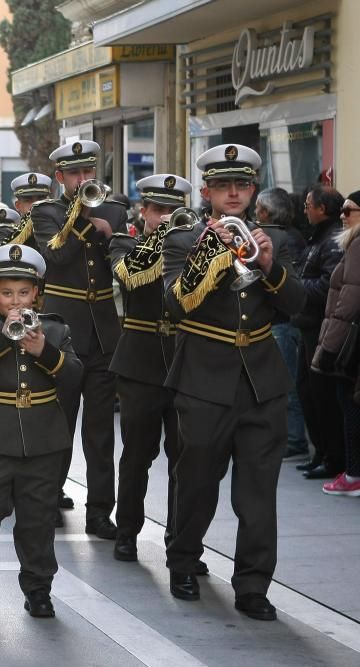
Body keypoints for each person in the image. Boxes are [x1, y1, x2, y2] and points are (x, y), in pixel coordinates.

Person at [162, 144, 304, 621]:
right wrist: (211, 253)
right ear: (207, 191)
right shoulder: (184, 240)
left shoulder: (277, 240)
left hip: (262, 381)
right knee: (197, 483)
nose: (234, 193)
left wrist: (269, 266)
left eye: (242, 185)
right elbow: (175, 305)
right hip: (203, 378)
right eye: (224, 186)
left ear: (252, 189)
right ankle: (183, 561)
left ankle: (253, 586)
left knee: (258, 493)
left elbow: (299, 305)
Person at [0, 243, 81, 618]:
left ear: (37, 293)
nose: (15, 301)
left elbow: (75, 377)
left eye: (23, 292)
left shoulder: (55, 329)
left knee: (38, 517)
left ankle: (38, 588)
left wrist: (44, 350)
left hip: (43, 439)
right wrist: (1, 338)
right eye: (7, 293)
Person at [31, 140, 129, 537]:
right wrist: (85, 221)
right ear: (60, 177)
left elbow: (123, 266)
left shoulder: (115, 212)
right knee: (60, 423)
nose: (82, 180)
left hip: (104, 333)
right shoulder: (46, 213)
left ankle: (100, 511)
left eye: (88, 173)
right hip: (63, 334)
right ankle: (51, 495)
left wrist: (109, 232)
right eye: (74, 174)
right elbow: (54, 257)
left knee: (101, 431)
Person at [110, 174, 196, 566]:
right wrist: (169, 236)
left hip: (184, 364)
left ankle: (181, 540)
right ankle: (126, 531)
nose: (164, 218)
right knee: (137, 456)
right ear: (142, 211)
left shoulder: (198, 248)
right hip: (140, 364)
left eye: (173, 212)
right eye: (157, 210)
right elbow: (128, 273)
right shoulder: (124, 243)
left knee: (186, 461)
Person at [296, 186, 346, 480]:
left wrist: (297, 289)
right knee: (308, 393)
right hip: (307, 326)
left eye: (308, 205)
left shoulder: (332, 241)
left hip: (320, 328)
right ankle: (323, 453)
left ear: (322, 209)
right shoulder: (317, 238)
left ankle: (333, 457)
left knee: (323, 396)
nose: (304, 210)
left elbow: (329, 285)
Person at [313, 190, 360, 496]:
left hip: (349, 344)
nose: (342, 216)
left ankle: (354, 474)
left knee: (349, 405)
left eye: (348, 211)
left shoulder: (357, 244)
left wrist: (328, 348)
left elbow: (349, 301)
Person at [255, 188, 308, 458]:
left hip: (283, 322)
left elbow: (294, 286)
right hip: (283, 323)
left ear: (265, 212)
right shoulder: (284, 234)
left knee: (287, 385)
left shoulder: (280, 237)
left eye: (258, 208)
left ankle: (294, 439)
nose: (255, 212)